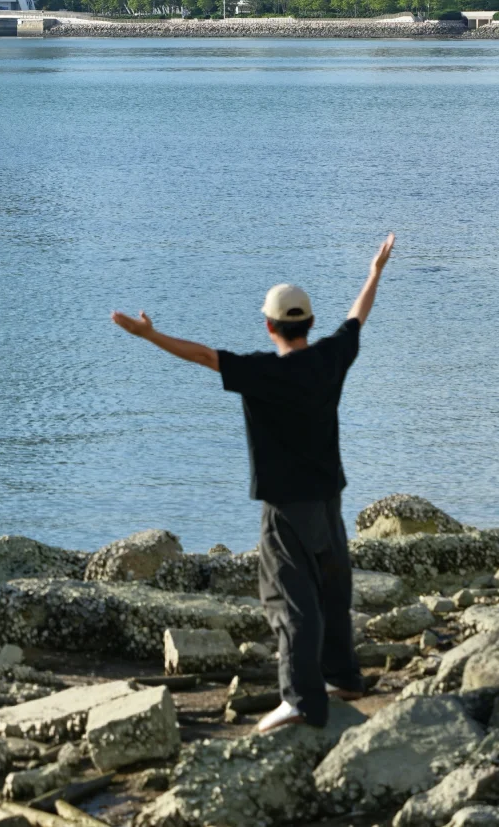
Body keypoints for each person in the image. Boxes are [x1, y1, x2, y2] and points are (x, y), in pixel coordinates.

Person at [111, 233, 396, 733]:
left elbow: (202, 356)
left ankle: (302, 700)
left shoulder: (263, 373)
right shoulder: (332, 356)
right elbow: (357, 317)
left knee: (287, 597)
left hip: (287, 505)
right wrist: (374, 272)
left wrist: (148, 336)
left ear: (268, 327)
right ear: (308, 323)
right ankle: (344, 677)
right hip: (329, 495)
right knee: (332, 588)